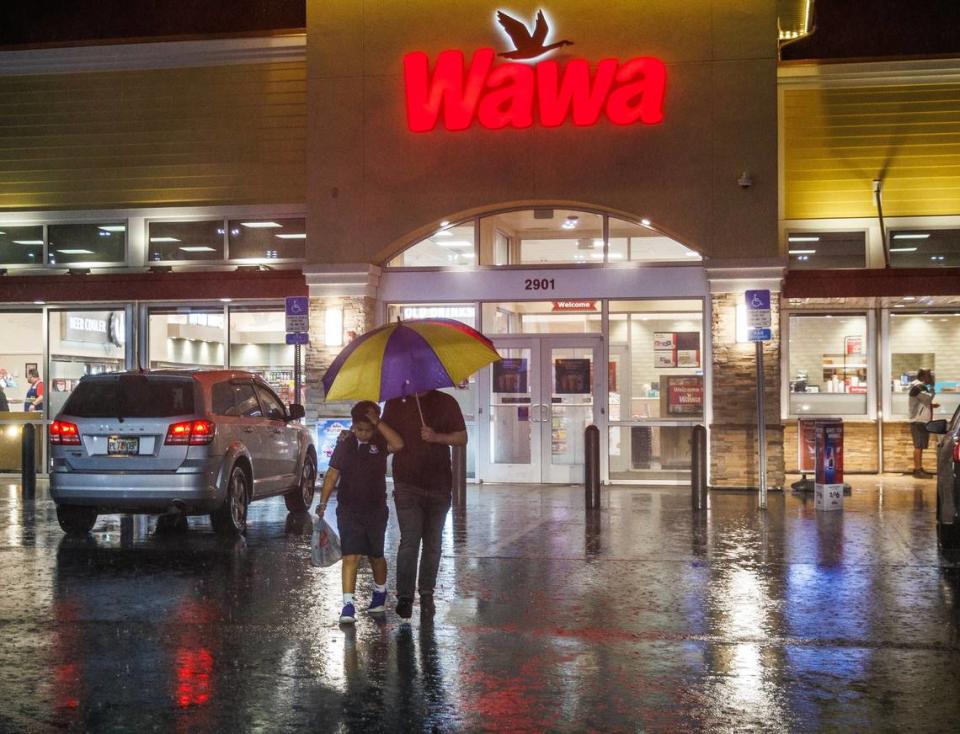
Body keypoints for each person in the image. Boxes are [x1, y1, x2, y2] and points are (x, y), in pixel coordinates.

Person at [316, 400, 404, 624]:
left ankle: (380, 591)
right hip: (348, 509)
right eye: (360, 429)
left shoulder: (381, 442)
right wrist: (323, 502)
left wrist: (378, 422)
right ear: (353, 425)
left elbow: (399, 444)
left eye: (368, 429)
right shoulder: (344, 444)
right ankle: (347, 604)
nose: (364, 434)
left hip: (375, 509)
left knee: (376, 555)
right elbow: (332, 474)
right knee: (351, 555)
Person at [382, 389, 467, 619]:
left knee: (433, 543)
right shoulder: (394, 403)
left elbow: (461, 438)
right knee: (410, 540)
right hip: (407, 483)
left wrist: (436, 437)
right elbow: (383, 437)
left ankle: (427, 594)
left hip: (439, 485)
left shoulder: (446, 402)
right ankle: (405, 597)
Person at [908, 368, 939, 478]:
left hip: (920, 419)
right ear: (922, 377)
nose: (930, 378)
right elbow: (927, 399)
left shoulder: (920, 387)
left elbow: (923, 402)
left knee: (920, 446)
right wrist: (932, 387)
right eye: (929, 376)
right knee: (918, 446)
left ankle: (919, 469)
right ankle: (917, 470)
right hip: (918, 420)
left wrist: (931, 405)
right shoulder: (918, 387)